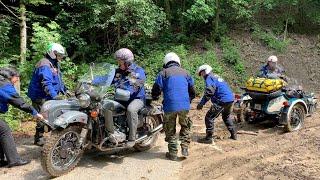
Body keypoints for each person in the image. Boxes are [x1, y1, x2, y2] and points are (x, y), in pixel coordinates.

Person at [152, 52, 195, 161]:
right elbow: (193, 91)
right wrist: (187, 101)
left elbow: (156, 88)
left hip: (169, 105)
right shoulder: (186, 73)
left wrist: (155, 96)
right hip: (184, 106)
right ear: (178, 61)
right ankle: (185, 148)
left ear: (166, 62)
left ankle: (173, 153)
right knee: (185, 126)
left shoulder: (164, 73)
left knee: (170, 129)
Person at [27, 43, 70, 146]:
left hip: (49, 95)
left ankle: (54, 138)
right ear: (52, 53)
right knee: (43, 117)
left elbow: (58, 79)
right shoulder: (44, 64)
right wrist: (54, 96)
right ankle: (39, 138)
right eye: (58, 54)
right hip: (40, 96)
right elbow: (46, 83)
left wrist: (65, 90)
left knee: (54, 115)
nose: (60, 57)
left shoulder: (54, 63)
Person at [0, 67, 43, 168]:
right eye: (17, 77)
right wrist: (34, 112)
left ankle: (1, 160)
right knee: (4, 130)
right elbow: (19, 102)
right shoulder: (4, 85)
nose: (18, 80)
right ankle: (14, 160)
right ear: (11, 76)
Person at [112, 48, 146, 147]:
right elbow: (107, 78)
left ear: (127, 62)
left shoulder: (137, 71)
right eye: (118, 61)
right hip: (121, 98)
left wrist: (127, 92)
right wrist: (92, 80)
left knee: (131, 110)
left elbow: (136, 86)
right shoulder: (118, 71)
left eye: (120, 61)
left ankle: (132, 138)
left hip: (136, 98)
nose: (118, 63)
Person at [196, 64, 237, 144]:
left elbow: (209, 91)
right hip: (230, 99)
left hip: (222, 100)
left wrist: (201, 103)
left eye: (202, 73)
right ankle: (234, 134)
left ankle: (208, 138)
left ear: (205, 71)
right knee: (226, 117)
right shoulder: (216, 76)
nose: (202, 76)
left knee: (209, 117)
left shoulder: (209, 78)